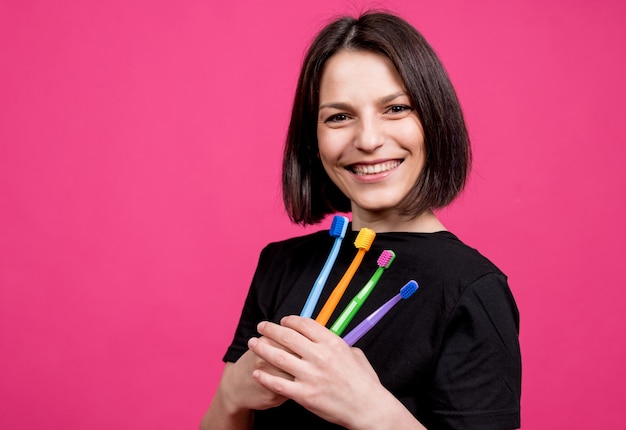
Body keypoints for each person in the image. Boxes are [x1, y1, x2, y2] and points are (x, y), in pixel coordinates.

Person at [200, 11, 521, 430]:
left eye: (396, 108)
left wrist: (372, 411)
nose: (368, 140)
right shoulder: (281, 264)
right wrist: (230, 396)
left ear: (434, 121)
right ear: (312, 140)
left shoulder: (473, 289)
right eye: (339, 116)